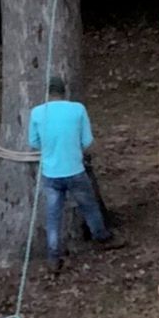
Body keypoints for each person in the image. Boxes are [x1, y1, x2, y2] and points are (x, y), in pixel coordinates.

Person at [28, 75, 118, 271]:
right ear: (64, 91)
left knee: (53, 215)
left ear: (47, 93)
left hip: (51, 173)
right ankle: (101, 237)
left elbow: (33, 143)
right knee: (89, 206)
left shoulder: (36, 113)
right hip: (75, 170)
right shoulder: (77, 109)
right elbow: (87, 142)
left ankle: (53, 256)